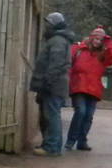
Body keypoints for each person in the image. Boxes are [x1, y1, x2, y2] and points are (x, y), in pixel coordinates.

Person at [65, 25, 112, 151]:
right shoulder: (78, 49)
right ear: (91, 38)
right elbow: (68, 63)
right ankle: (71, 140)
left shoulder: (104, 54)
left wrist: (108, 40)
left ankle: (81, 141)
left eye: (100, 40)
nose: (97, 41)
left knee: (88, 116)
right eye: (96, 38)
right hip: (78, 86)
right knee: (81, 112)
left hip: (94, 89)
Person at [29, 12, 77, 156]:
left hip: (53, 85)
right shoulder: (59, 40)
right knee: (49, 115)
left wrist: (47, 82)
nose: (46, 26)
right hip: (54, 84)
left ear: (54, 25)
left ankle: (52, 148)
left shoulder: (57, 41)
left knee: (51, 115)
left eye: (48, 23)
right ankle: (50, 145)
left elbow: (56, 64)